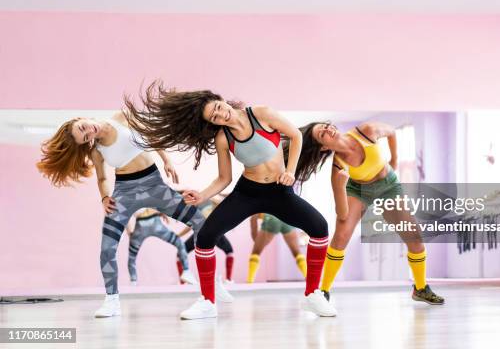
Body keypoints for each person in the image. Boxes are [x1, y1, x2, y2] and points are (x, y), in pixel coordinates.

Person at [124, 82, 336, 319]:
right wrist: (202, 195)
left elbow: (296, 136)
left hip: (279, 192)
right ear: (212, 123)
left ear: (221, 99)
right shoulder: (223, 138)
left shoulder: (261, 114)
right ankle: (207, 301)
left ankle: (312, 295)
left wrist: (290, 171)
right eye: (214, 117)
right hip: (247, 193)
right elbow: (224, 178)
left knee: (320, 228)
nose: (219, 114)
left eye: (217, 107)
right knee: (204, 238)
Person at [36, 111, 232, 318]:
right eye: (85, 137)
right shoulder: (97, 151)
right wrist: (104, 198)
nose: (89, 132)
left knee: (201, 222)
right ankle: (111, 301)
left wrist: (167, 160)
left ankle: (210, 286)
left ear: (79, 119)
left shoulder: (121, 117)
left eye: (83, 127)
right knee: (107, 248)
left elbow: (152, 136)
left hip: (155, 186)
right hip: (124, 193)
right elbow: (102, 178)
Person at [292, 121, 444, 305]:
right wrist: (340, 187)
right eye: (322, 133)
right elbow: (342, 214)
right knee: (341, 236)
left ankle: (420, 289)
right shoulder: (338, 168)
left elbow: (391, 131)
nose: (328, 129)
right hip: (358, 189)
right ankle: (323, 291)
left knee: (414, 237)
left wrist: (394, 160)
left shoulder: (366, 131)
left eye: (326, 125)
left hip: (387, 186)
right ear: (323, 147)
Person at [126, 208, 195, 286]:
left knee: (132, 256)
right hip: (154, 221)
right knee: (179, 243)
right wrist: (163, 213)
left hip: (141, 223)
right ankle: (186, 270)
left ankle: (133, 281)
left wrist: (129, 230)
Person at [247, 214, 307, 283]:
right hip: (287, 220)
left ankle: (250, 281)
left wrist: (256, 241)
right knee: (297, 253)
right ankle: (307, 277)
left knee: (256, 253)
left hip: (271, 219)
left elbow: (253, 218)